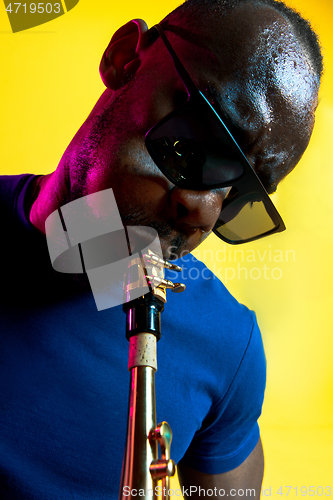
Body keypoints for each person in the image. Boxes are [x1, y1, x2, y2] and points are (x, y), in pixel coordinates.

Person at [0, 0, 322, 498]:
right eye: (203, 142)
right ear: (124, 59)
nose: (205, 213)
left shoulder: (226, 348)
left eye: (242, 196)